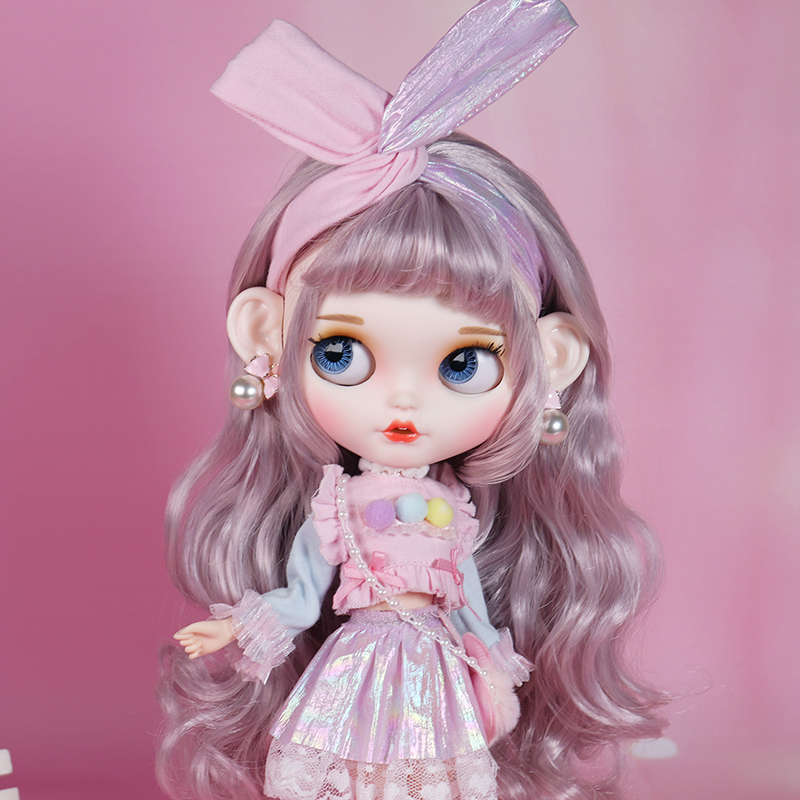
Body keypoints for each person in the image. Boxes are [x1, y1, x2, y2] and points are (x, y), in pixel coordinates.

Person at [158, 3, 666, 799]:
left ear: (550, 362)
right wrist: (241, 623)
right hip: (358, 665)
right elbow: (301, 594)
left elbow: (469, 607)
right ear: (268, 336)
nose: (401, 397)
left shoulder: (455, 511)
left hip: (438, 670)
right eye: (341, 353)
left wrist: (492, 669)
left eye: (462, 363)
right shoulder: (338, 504)